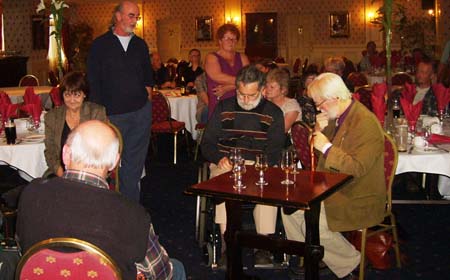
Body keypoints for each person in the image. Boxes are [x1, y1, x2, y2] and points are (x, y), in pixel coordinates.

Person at [16, 120, 186, 280]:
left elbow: (23, 249)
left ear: (66, 154)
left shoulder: (31, 193)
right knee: (176, 268)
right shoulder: (131, 213)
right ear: (114, 162)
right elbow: (160, 272)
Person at [282, 73, 386, 279]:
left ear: (334, 98)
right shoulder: (338, 116)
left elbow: (356, 168)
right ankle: (316, 254)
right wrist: (319, 130)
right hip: (334, 187)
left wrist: (327, 147)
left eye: (319, 103)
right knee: (290, 210)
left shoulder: (365, 122)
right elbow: (321, 156)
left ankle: (352, 263)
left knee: (314, 224)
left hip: (357, 194)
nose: (318, 108)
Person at [201, 65, 285, 266]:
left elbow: (274, 151)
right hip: (227, 161)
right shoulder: (224, 107)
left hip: (258, 162)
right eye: (241, 94)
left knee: (266, 184)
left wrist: (259, 165)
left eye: (251, 95)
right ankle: (227, 244)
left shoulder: (273, 113)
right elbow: (207, 143)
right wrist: (218, 157)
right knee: (224, 182)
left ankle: (262, 246)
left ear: (262, 90)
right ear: (236, 88)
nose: (245, 100)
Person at [87, 1, 153, 202]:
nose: (135, 21)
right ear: (118, 16)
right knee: (107, 166)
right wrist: (100, 115)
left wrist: (146, 102)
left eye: (136, 17)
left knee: (133, 167)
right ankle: (107, 208)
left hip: (140, 114)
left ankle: (130, 210)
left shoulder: (140, 44)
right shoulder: (100, 45)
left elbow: (148, 77)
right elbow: (93, 81)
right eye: (131, 16)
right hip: (112, 116)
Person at [44, 71, 107, 178]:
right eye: (67, 95)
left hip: (91, 170)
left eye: (77, 95)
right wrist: (61, 173)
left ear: (84, 94)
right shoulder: (52, 116)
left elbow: (102, 148)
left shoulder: (96, 113)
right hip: (61, 171)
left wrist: (83, 175)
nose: (72, 100)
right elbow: (50, 151)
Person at [204, 23, 249, 119]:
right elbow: (217, 76)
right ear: (220, 40)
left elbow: (250, 80)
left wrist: (228, 87)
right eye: (227, 38)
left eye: (234, 39)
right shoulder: (211, 57)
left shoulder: (242, 57)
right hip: (220, 105)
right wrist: (241, 83)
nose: (231, 42)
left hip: (241, 104)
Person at [265, 68, 301, 133]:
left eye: (272, 87)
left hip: (285, 141)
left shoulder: (291, 105)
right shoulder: (267, 102)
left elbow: (282, 130)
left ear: (283, 90)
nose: (267, 89)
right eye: (266, 86)